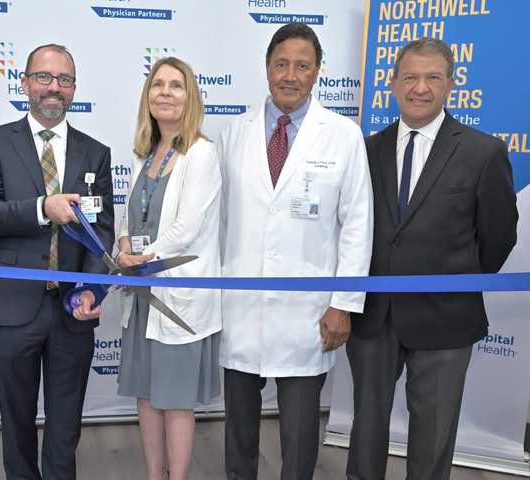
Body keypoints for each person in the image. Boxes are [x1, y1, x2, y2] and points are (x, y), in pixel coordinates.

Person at [346, 37, 518, 480]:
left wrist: (455, 281)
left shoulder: (484, 152)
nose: (420, 87)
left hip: (446, 318)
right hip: (374, 319)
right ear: (392, 83)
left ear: (450, 85)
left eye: (432, 77)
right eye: (410, 77)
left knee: (433, 438)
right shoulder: (368, 149)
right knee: (365, 431)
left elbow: (498, 237)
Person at [218, 23, 373, 480]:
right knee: (239, 433)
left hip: (309, 314)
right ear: (267, 68)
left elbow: (357, 227)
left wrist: (343, 304)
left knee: (301, 437)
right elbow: (216, 221)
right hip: (240, 308)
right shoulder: (233, 133)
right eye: (281, 64)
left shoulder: (343, 136)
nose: (290, 75)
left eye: (302, 65)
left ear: (318, 72)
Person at [0, 44, 114, 480]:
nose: (54, 88)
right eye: (45, 78)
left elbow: (101, 230)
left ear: (74, 88)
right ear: (26, 82)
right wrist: (40, 208)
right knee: (15, 422)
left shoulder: (96, 152)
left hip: (72, 309)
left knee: (66, 423)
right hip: (14, 307)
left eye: (64, 80)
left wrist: (91, 287)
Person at [115, 56, 222, 480]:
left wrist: (140, 261)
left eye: (176, 85)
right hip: (142, 296)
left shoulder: (201, 153)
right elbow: (128, 216)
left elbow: (186, 228)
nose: (165, 92)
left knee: (174, 399)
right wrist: (123, 249)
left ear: (190, 96)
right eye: (157, 84)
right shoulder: (146, 153)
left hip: (176, 297)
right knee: (145, 395)